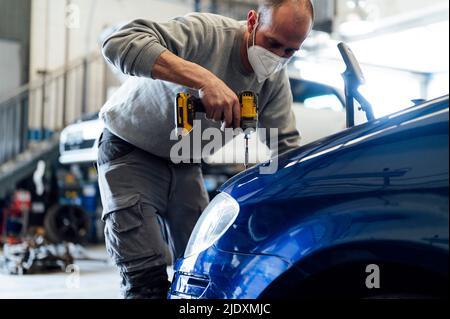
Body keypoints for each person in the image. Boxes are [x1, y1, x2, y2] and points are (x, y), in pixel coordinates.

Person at [98, 0, 314, 299]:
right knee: (145, 278)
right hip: (130, 148)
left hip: (186, 162)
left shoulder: (274, 81)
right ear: (252, 21)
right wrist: (205, 80)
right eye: (272, 42)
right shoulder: (207, 33)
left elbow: (286, 148)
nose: (278, 56)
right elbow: (118, 42)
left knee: (203, 272)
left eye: (290, 51)